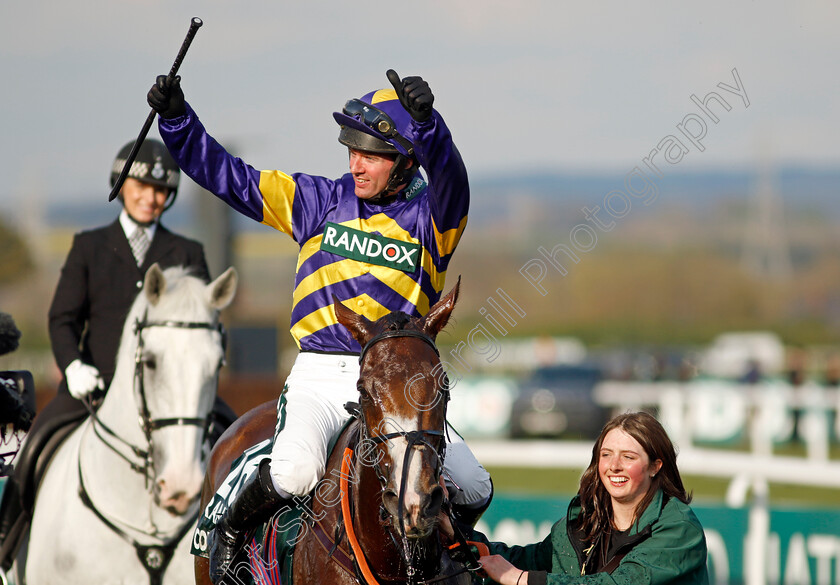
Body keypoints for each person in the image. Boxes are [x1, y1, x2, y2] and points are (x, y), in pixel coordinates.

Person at [147, 68, 493, 581]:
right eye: (352, 151)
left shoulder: (433, 220)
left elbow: (452, 180)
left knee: (473, 483)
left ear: (404, 161)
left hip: (396, 385)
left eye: (371, 155)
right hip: (320, 375)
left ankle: (452, 561)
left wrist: (430, 127)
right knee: (295, 471)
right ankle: (223, 529)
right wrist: (176, 120)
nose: (356, 164)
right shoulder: (317, 200)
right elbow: (231, 177)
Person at [0, 138, 237, 570]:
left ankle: (241, 550)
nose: (151, 197)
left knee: (233, 440)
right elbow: (62, 318)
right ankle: (5, 542)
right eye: (141, 186)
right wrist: (74, 366)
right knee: (34, 447)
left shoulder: (188, 253)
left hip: (172, 394)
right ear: (121, 184)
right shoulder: (89, 246)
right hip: (95, 387)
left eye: (161, 191)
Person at [465, 412, 708, 584]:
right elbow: (528, 561)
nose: (614, 466)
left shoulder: (680, 529)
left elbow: (619, 583)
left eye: (628, 457)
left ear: (655, 467)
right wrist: (456, 538)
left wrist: (520, 580)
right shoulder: (583, 522)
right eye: (606, 454)